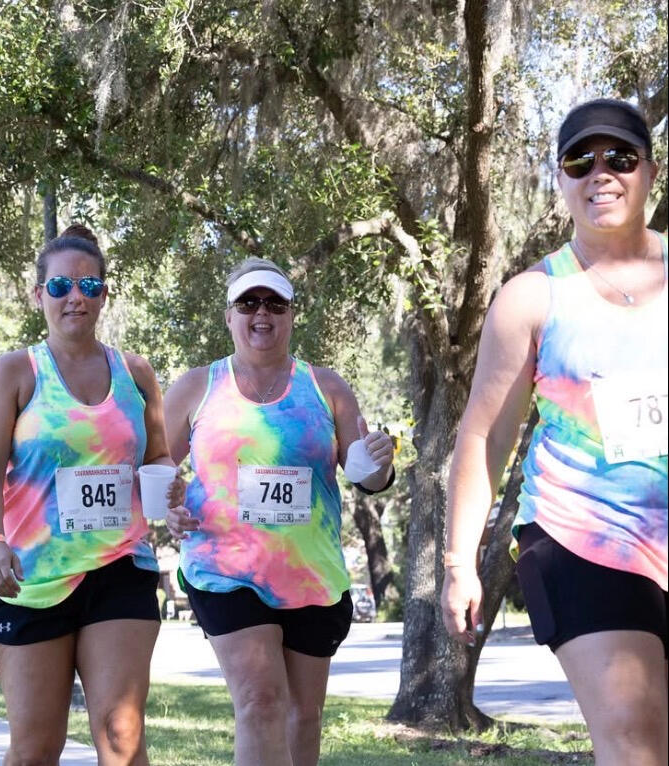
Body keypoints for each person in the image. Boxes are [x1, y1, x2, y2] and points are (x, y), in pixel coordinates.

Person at [441, 99, 667, 765]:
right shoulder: (531, 298)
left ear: (649, 171)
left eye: (619, 157)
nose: (600, 173)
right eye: (580, 160)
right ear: (560, 180)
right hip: (580, 536)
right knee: (630, 731)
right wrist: (458, 565)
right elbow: (483, 436)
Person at [163, 257, 394, 766]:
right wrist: (169, 508)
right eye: (248, 302)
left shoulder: (326, 387)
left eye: (274, 303)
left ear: (291, 314)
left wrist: (380, 464)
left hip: (310, 572)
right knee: (260, 700)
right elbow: (155, 468)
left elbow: (364, 474)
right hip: (224, 569)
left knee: (303, 715)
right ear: (229, 316)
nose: (261, 313)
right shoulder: (197, 387)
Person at [0, 224, 181, 765]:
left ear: (104, 294)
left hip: (119, 565)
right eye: (60, 287)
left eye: (89, 286)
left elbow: (157, 454)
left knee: (121, 736)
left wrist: (170, 487)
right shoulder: (13, 372)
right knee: (38, 747)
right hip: (31, 576)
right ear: (39, 294)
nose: (75, 299)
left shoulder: (136, 373)